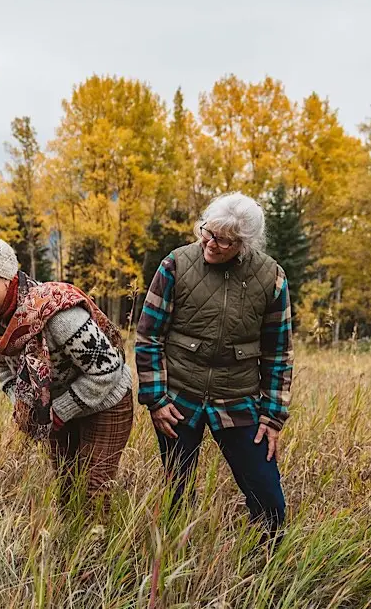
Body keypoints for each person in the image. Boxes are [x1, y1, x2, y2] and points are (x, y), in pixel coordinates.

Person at [135, 192, 292, 540]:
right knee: (177, 494)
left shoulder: (271, 277)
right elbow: (148, 336)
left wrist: (273, 416)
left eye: (224, 240)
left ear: (245, 243)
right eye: (208, 232)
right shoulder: (175, 265)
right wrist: (156, 400)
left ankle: (268, 562)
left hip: (237, 401)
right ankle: (175, 558)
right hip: (179, 400)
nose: (211, 243)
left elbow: (278, 352)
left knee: (269, 500)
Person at [0, 237, 133, 505]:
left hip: (106, 401)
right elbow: (0, 368)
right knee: (66, 487)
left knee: (94, 491)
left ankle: (98, 534)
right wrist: (24, 405)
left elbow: (107, 369)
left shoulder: (58, 314)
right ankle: (68, 534)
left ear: (6, 278)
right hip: (53, 408)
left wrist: (58, 412)